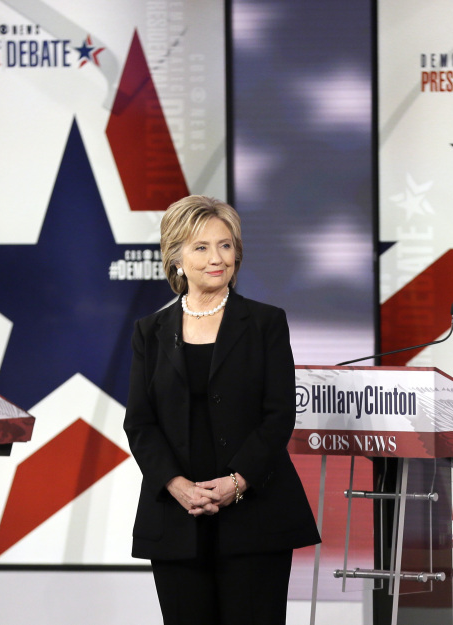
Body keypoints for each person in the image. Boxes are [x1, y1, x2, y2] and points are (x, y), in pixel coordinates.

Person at [124, 195, 320, 625]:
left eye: (226, 245)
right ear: (175, 258)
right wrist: (175, 484)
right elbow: (139, 423)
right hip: (176, 518)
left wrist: (237, 481)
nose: (217, 258)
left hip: (255, 515)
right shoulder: (150, 332)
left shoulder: (266, 323)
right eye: (201, 247)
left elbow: (278, 415)